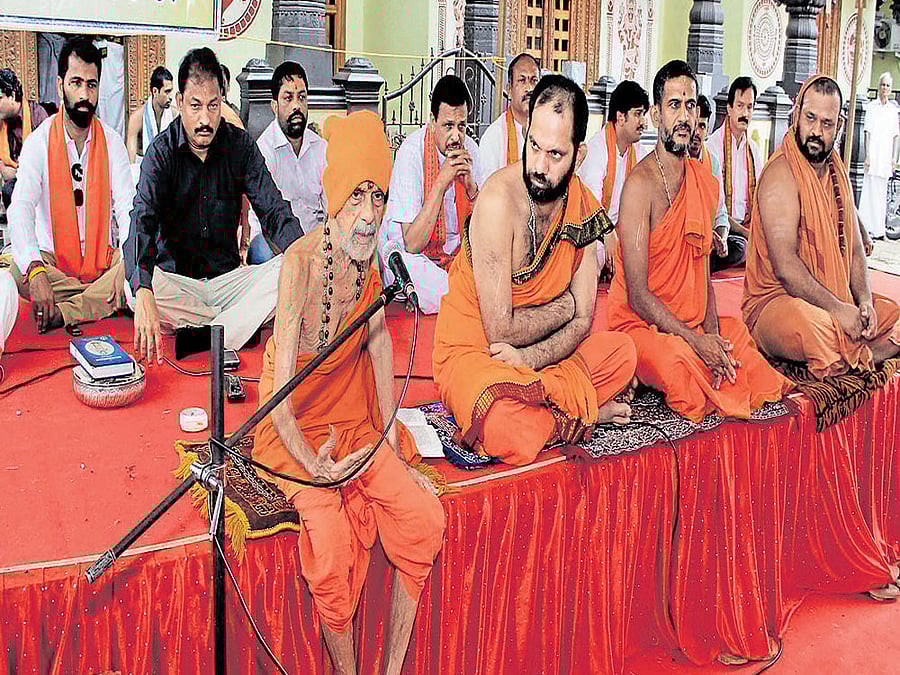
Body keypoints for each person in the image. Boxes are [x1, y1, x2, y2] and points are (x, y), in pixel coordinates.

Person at [252, 110, 445, 675]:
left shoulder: (372, 268)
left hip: (354, 421)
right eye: (356, 196)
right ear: (335, 198)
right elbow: (279, 395)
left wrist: (390, 444)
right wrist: (312, 465)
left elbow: (380, 345)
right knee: (332, 548)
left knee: (425, 519)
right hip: (291, 432)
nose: (368, 215)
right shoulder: (299, 265)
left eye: (377, 197)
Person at [433, 74, 638, 466]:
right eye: (534, 146)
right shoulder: (497, 202)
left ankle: (551, 404)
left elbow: (584, 323)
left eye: (556, 155)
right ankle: (581, 413)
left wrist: (529, 360)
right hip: (477, 355)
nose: (540, 166)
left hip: (537, 358)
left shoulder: (580, 205)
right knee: (502, 425)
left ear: (578, 156)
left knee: (625, 353)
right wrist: (566, 307)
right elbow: (501, 331)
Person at [608, 60, 790, 423]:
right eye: (674, 105)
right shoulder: (639, 187)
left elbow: (702, 274)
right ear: (656, 115)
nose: (684, 117)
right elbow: (638, 296)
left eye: (690, 105)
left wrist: (711, 336)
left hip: (688, 323)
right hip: (640, 325)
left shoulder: (702, 180)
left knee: (737, 342)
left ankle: (710, 357)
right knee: (681, 371)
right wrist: (697, 342)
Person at [126, 47, 302, 360]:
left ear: (222, 101)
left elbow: (274, 211)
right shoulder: (161, 152)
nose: (205, 119)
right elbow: (142, 219)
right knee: (134, 286)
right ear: (179, 102)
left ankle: (202, 334)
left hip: (228, 282)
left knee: (290, 268)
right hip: (177, 284)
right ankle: (231, 328)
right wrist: (143, 290)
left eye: (213, 105)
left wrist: (306, 255)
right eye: (195, 106)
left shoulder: (240, 146)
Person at [743, 74, 900, 378]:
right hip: (777, 304)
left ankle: (856, 350)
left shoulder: (837, 173)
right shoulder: (781, 174)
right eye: (810, 118)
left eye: (827, 123)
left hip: (836, 299)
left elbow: (855, 251)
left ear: (839, 126)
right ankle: (872, 353)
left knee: (892, 316)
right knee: (814, 329)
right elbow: (785, 268)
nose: (816, 131)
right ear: (796, 114)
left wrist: (864, 302)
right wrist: (838, 310)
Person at [3, 38, 134, 333]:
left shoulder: (112, 143)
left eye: (91, 85)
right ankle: (105, 300)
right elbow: (21, 207)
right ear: (61, 84)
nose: (84, 94)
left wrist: (129, 260)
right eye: (76, 83)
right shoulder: (39, 142)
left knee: (137, 266)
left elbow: (129, 210)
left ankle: (65, 311)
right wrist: (36, 270)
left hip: (103, 262)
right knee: (19, 272)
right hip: (54, 265)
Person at [378, 74, 483, 314]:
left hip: (457, 258)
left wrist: (471, 189)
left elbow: (485, 233)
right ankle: (462, 297)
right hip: (414, 257)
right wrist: (441, 184)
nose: (456, 136)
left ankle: (456, 296)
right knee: (408, 269)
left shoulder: (472, 152)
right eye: (448, 126)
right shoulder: (411, 153)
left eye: (462, 126)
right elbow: (412, 243)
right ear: (432, 121)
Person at [246, 61, 326, 265]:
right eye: (288, 98)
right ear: (275, 106)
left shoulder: (321, 148)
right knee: (260, 250)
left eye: (302, 97)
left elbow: (331, 211)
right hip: (274, 246)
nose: (296, 106)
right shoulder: (263, 151)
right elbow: (265, 218)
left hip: (314, 245)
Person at [577, 80, 649, 279]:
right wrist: (608, 233)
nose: (644, 122)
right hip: (589, 233)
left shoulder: (638, 152)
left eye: (643, 114)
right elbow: (591, 207)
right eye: (638, 114)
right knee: (594, 257)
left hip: (618, 233)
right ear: (620, 117)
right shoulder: (597, 149)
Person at [706, 76, 762, 244]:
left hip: (749, 228)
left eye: (749, 107)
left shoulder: (754, 150)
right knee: (741, 248)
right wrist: (746, 233)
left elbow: (760, 198)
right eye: (740, 106)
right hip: (722, 230)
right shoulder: (713, 147)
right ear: (729, 108)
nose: (745, 113)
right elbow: (714, 208)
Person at [690, 94, 743, 271]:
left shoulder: (711, 162)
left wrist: (721, 239)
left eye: (702, 126)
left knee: (740, 247)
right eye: (694, 124)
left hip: (708, 239)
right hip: (684, 238)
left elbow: (721, 212)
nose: (697, 132)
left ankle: (703, 261)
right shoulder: (676, 160)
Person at [477, 53, 540, 179]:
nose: (529, 88)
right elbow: (488, 187)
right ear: (509, 90)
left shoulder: (547, 132)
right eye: (522, 80)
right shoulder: (494, 137)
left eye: (534, 81)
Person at [0, 68, 50, 208]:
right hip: (12, 180)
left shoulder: (37, 115)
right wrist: (3, 168)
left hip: (39, 181)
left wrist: (17, 173)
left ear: (12, 95)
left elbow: (46, 161)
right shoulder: (1, 120)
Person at [858, 72, 900, 241]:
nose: (885, 88)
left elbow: (895, 136)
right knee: (869, 191)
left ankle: (879, 230)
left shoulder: (893, 110)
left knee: (882, 194)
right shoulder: (872, 107)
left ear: (891, 89)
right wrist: (867, 156)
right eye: (883, 85)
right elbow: (867, 132)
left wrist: (894, 158)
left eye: (888, 86)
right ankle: (866, 229)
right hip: (873, 155)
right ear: (879, 86)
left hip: (885, 156)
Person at [125, 66, 175, 164]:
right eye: (167, 92)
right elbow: (131, 162)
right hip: (143, 167)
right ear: (155, 91)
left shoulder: (174, 115)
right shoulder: (137, 118)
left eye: (171, 91)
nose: (170, 97)